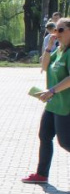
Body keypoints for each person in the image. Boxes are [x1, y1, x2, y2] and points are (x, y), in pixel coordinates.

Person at [21, 17, 70, 184]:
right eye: (55, 29)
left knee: (65, 143)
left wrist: (52, 90)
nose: (56, 33)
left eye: (61, 30)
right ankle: (41, 174)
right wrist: (49, 47)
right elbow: (44, 67)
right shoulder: (60, 50)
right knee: (44, 135)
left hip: (66, 105)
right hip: (53, 103)